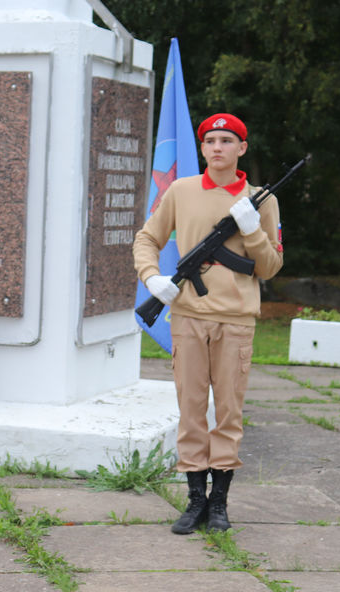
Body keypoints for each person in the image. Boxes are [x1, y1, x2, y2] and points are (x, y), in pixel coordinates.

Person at [133, 113, 283, 534]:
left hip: (236, 320)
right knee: (191, 409)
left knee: (229, 412)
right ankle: (195, 499)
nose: (218, 147)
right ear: (202, 148)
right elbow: (147, 238)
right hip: (189, 317)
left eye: (226, 140)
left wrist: (252, 232)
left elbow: (270, 267)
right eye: (210, 141)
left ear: (242, 148)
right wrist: (152, 278)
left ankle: (220, 502)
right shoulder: (181, 191)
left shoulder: (261, 200)